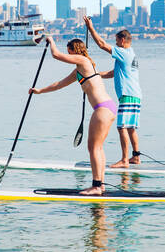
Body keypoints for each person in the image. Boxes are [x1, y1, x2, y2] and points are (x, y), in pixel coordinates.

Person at [29, 35, 116, 195]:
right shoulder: (80, 69)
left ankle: (96, 186)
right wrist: (40, 91)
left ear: (74, 51)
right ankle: (101, 185)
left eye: (69, 52)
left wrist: (51, 40)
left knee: (93, 147)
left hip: (103, 109)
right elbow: (59, 84)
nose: (69, 56)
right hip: (108, 107)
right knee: (97, 147)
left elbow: (56, 55)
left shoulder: (83, 61)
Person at [83, 16, 142, 168]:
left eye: (116, 41)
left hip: (128, 95)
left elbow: (102, 45)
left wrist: (90, 28)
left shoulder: (123, 52)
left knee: (121, 127)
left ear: (122, 40)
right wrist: (97, 74)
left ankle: (124, 160)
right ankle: (135, 156)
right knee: (130, 127)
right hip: (135, 95)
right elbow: (115, 72)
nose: (115, 44)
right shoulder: (131, 54)